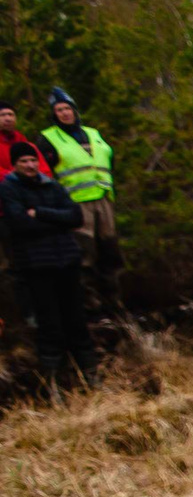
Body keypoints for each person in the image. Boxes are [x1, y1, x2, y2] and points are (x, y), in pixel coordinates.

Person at [2, 138, 98, 384]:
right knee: (49, 324)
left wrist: (41, 213)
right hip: (37, 265)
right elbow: (19, 223)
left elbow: (75, 216)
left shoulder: (52, 185)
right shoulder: (9, 188)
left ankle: (89, 374)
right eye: (24, 161)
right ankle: (54, 381)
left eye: (33, 160)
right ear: (15, 165)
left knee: (77, 319)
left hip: (66, 261)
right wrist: (57, 222)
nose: (31, 165)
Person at [39, 88, 118, 309]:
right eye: (59, 110)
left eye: (67, 108)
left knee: (109, 250)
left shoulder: (93, 133)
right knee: (84, 254)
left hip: (104, 198)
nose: (64, 113)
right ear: (54, 115)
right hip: (76, 203)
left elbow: (109, 161)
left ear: (74, 110)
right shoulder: (49, 138)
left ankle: (113, 300)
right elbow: (46, 173)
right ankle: (89, 303)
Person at [0, 104, 43, 174]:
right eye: (2, 115)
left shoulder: (27, 144)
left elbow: (44, 170)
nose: (8, 119)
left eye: (11, 115)